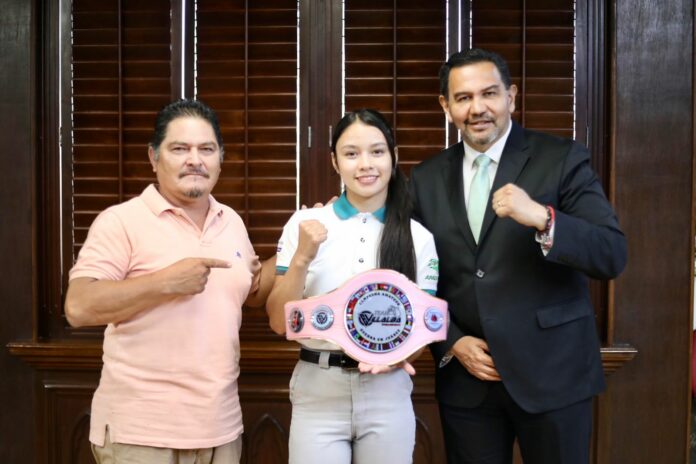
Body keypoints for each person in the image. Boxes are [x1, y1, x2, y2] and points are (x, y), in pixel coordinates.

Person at [408, 48, 627, 464]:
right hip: (468, 383)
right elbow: (414, 277)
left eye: (489, 93)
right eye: (463, 97)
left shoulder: (562, 158)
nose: (477, 108)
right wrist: (450, 340)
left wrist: (545, 219)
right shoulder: (425, 177)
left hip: (554, 375)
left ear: (511, 96)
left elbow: (611, 253)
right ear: (446, 106)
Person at [64, 99, 275, 464]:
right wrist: (164, 282)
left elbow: (251, 291)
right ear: (154, 157)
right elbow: (79, 307)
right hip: (141, 435)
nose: (195, 159)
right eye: (180, 149)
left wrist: (298, 251)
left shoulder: (231, 221)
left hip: (222, 430)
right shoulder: (121, 221)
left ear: (220, 159)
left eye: (206, 149)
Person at [266, 109, 439, 464]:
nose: (365, 164)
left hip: (387, 392)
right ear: (334, 161)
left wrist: (396, 358)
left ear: (393, 157)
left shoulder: (418, 237)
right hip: (318, 388)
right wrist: (302, 257)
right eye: (351, 153)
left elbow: (420, 332)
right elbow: (278, 322)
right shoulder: (304, 223)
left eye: (377, 151)